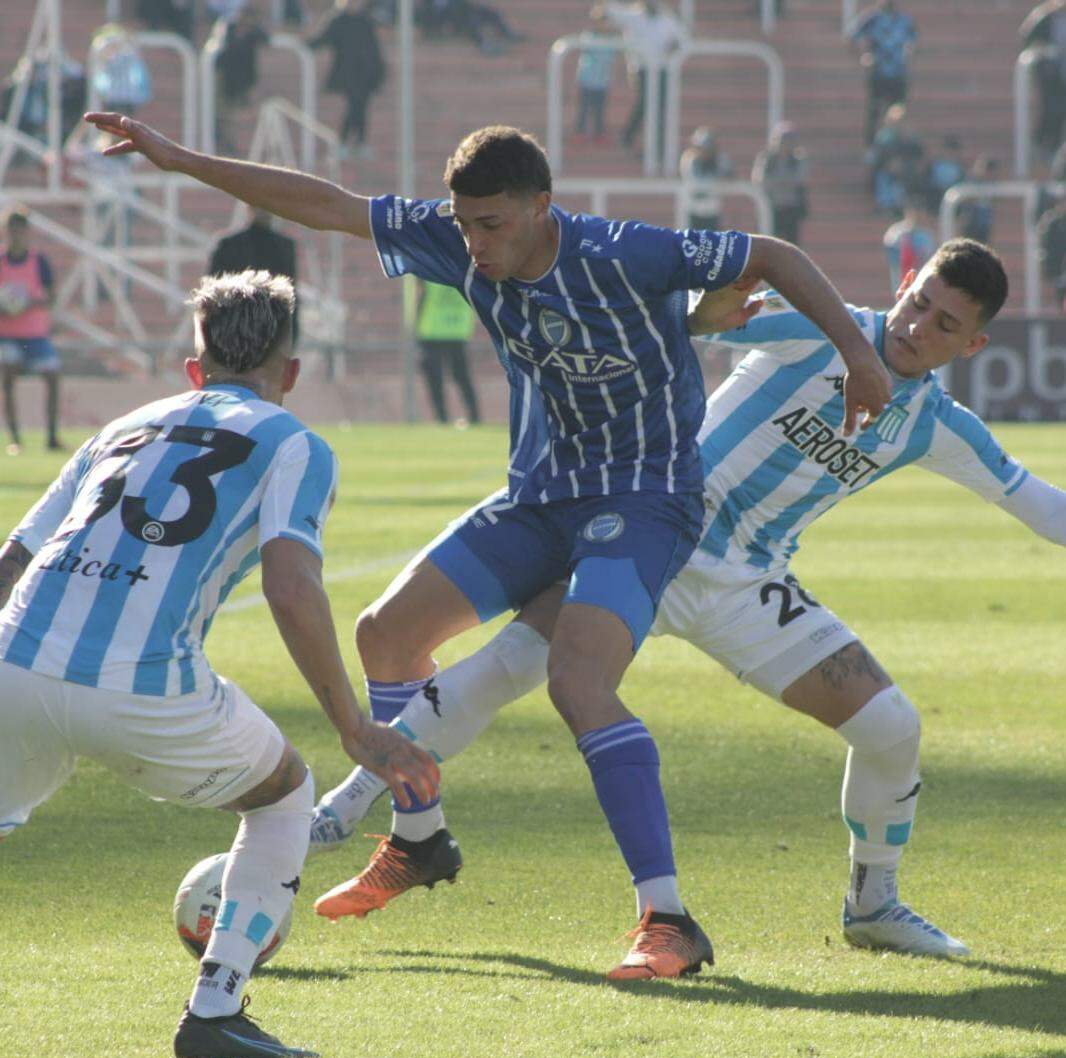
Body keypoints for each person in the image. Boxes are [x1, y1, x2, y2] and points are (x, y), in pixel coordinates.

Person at [82, 109, 891, 979]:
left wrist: (857, 352)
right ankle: (421, 842)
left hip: (645, 496)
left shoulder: (627, 250)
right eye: (463, 222)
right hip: (539, 496)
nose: (472, 242)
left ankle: (668, 919)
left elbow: (771, 253)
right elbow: (326, 205)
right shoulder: (452, 238)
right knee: (386, 632)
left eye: (492, 224)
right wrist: (176, 159)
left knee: (578, 684)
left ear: (543, 205)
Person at [313, 239, 1036, 959]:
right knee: (513, 665)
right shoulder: (818, 326)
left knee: (892, 728)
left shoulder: (935, 424)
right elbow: (689, 324)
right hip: (652, 533)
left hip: (746, 582)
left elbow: (1038, 504)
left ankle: (873, 907)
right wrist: (701, 310)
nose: (917, 328)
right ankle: (342, 810)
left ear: (971, 345)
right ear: (905, 283)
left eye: (944, 325)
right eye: (919, 304)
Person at [0, 269, 438, 1058]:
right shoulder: (297, 442)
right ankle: (215, 1011)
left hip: (14, 661)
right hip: (143, 687)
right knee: (284, 793)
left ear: (193, 369)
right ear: (292, 374)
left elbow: (13, 561)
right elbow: (292, 585)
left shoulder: (121, 426)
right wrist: (352, 725)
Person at [0, 207, 61, 456]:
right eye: (12, 230)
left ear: (27, 232)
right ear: (6, 232)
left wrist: (28, 303)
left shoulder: (39, 261)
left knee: (53, 375)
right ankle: (15, 438)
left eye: (21, 230)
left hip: (36, 335)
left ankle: (51, 436)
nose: (16, 235)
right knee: (9, 374)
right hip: (7, 335)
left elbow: (51, 297)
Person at [605, 0, 683, 165]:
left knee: (658, 108)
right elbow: (608, 10)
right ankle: (630, 136)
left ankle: (655, 147)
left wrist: (674, 46)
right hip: (642, 68)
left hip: (662, 69)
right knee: (647, 102)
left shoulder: (666, 18)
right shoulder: (633, 15)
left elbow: (681, 38)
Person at [308, 0, 386, 159]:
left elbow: (374, 48)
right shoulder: (338, 20)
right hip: (348, 73)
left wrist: (379, 70)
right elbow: (323, 38)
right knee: (354, 106)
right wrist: (305, 44)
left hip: (366, 73)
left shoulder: (366, 20)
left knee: (362, 107)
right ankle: (344, 142)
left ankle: (360, 143)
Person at [209, 208, 299, 345]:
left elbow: (291, 294)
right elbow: (213, 295)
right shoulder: (228, 246)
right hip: (236, 332)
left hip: (266, 332)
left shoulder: (285, 247)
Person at [850, 0, 917, 146]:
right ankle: (871, 146)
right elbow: (852, 37)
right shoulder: (872, 19)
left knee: (898, 111)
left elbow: (914, 41)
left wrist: (908, 55)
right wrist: (863, 56)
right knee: (875, 110)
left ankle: (896, 144)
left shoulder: (904, 20)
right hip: (879, 72)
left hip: (898, 72)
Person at [414, 278, 480, 425]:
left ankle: (442, 418)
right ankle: (474, 417)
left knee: (435, 379)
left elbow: (420, 296)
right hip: (458, 328)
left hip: (431, 329)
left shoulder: (427, 268)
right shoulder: (465, 269)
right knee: (462, 377)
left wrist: (415, 324)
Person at [207, 3, 269, 157]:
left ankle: (240, 146)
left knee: (237, 114)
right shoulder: (227, 28)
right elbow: (220, 53)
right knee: (223, 114)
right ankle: (223, 143)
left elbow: (266, 39)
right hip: (226, 79)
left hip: (244, 81)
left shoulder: (254, 33)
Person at [1020, 0, 1066, 160]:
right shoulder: (1045, 17)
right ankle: (1045, 146)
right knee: (1054, 109)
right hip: (1052, 74)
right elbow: (1027, 38)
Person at [752, 121, 810, 245]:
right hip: (772, 208)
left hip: (791, 209)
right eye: (782, 140)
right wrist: (783, 182)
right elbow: (760, 180)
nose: (784, 144)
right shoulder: (767, 159)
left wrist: (778, 181)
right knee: (770, 244)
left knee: (792, 245)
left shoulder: (798, 160)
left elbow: (800, 179)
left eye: (788, 140)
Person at [573, 5, 618, 143]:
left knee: (599, 109)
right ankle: (579, 133)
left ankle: (599, 134)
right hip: (587, 79)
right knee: (584, 109)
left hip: (602, 81)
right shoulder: (589, 36)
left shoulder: (612, 40)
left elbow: (611, 57)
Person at [679, 126, 734, 232]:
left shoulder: (720, 160)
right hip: (692, 211)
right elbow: (696, 182)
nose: (706, 152)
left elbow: (729, 176)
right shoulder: (689, 160)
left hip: (712, 211)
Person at [883, 197, 935, 290]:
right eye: (913, 212)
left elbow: (929, 254)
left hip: (919, 270)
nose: (915, 215)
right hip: (901, 270)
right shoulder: (896, 231)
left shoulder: (925, 234)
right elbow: (890, 247)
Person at [956, 155, 998, 245]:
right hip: (970, 223)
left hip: (984, 225)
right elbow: (965, 201)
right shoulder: (970, 181)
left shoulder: (992, 184)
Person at [923, 134, 966, 216]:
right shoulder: (933, 166)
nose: (949, 153)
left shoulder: (960, 168)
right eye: (948, 150)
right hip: (935, 199)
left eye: (952, 151)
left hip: (954, 200)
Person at [1037, 197, 1066, 310]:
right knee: (1057, 283)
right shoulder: (1052, 223)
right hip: (1056, 260)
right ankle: (1056, 305)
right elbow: (1045, 242)